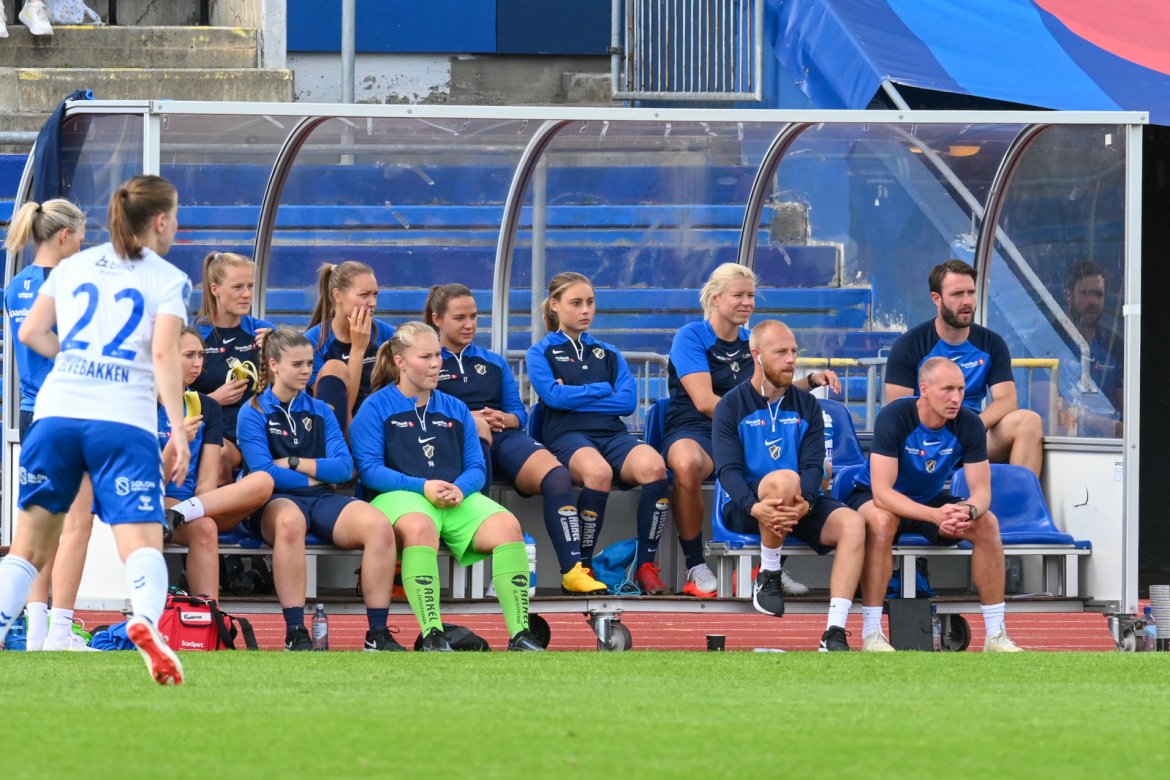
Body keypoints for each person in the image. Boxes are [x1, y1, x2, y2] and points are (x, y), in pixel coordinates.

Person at [0, 175, 191, 684]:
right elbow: (163, 353)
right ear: (160, 221)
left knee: (28, 547)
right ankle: (146, 622)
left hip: (55, 412)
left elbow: (31, 332)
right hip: (122, 419)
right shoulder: (168, 278)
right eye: (174, 216)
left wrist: (74, 361)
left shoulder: (72, 266)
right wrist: (177, 428)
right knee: (141, 542)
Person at [351, 322, 544, 651]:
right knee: (420, 526)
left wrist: (461, 489)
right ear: (400, 362)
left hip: (453, 499)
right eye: (425, 357)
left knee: (508, 526)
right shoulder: (375, 407)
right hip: (397, 497)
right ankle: (433, 634)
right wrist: (422, 486)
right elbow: (369, 471)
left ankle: (520, 634)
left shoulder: (455, 408)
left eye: (437, 356)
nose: (436, 364)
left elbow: (476, 467)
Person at [663, 263, 834, 598]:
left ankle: (770, 565)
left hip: (746, 430)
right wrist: (747, 422)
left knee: (818, 470)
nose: (747, 302)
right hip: (696, 429)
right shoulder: (691, 337)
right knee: (687, 464)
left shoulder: (752, 341)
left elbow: (771, 391)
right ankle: (695, 564)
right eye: (738, 295)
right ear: (715, 298)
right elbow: (705, 402)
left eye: (751, 295)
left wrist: (810, 381)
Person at [424, 283, 605, 595]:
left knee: (557, 475)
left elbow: (518, 412)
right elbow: (418, 407)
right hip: (449, 440)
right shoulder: (428, 360)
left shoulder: (493, 362)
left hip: (502, 436)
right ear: (438, 319)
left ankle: (573, 571)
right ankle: (490, 557)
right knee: (477, 432)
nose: (469, 325)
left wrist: (506, 419)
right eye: (460, 318)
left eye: (474, 317)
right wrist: (467, 417)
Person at [236, 329, 402, 651]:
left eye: (310, 364)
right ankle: (296, 631)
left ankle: (377, 633)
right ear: (274, 365)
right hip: (274, 502)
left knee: (379, 525)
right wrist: (316, 474)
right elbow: (265, 474)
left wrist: (296, 463)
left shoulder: (322, 410)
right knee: (290, 523)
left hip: (322, 499)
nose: (306, 371)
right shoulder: (253, 411)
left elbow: (344, 468)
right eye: (297, 364)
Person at [847, 356, 1022, 652]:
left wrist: (966, 511)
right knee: (882, 521)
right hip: (873, 496)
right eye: (948, 389)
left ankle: (996, 635)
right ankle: (872, 633)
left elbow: (982, 493)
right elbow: (882, 494)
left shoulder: (969, 423)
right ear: (924, 388)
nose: (956, 398)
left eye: (961, 389)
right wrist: (935, 516)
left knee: (987, 523)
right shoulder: (895, 416)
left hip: (928, 500)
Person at [712, 320, 865, 651]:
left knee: (853, 524)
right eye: (781, 352)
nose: (791, 359)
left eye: (794, 351)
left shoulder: (807, 405)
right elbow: (727, 470)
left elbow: (813, 466)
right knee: (783, 479)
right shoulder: (730, 406)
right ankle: (769, 572)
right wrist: (754, 506)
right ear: (757, 355)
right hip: (747, 506)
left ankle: (835, 630)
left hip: (798, 503)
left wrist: (806, 502)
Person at [527, 272, 672, 595]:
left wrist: (574, 394)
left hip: (613, 434)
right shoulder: (540, 352)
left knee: (654, 467)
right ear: (555, 305)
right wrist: (601, 389)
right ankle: (582, 567)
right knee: (598, 472)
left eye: (590, 302)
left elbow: (627, 402)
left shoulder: (608, 352)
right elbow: (553, 398)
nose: (585, 310)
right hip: (566, 435)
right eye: (576, 303)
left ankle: (646, 566)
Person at [3, 198, 98, 652]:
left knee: (40, 526)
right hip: (68, 408)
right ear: (64, 236)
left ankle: (37, 630)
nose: (82, 247)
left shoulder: (16, 285)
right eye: (80, 238)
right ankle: (60, 630)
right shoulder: (71, 283)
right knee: (77, 523)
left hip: (30, 411)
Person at [884, 259, 1043, 477]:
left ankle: (1019, 497)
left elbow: (1007, 400)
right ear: (936, 299)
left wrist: (971, 428)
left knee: (1029, 421)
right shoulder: (910, 344)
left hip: (973, 437)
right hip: (925, 442)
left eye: (971, 292)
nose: (967, 301)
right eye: (957, 294)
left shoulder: (992, 343)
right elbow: (899, 411)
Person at [158, 326, 275, 599]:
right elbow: (147, 483)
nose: (198, 363)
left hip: (196, 504)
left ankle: (182, 514)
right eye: (189, 355)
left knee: (263, 480)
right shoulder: (143, 405)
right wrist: (175, 443)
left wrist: (196, 507)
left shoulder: (207, 406)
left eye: (201, 355)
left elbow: (206, 483)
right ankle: (208, 614)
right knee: (206, 527)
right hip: (156, 498)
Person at [190, 251, 273, 485]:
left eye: (250, 286)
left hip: (259, 427)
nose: (247, 294)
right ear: (215, 289)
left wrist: (276, 352)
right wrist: (213, 399)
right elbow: (171, 397)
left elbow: (292, 385)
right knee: (218, 455)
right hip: (214, 427)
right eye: (237, 287)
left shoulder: (263, 331)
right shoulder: (195, 336)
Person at [304, 261, 395, 433]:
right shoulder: (312, 343)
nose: (372, 303)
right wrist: (358, 350)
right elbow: (338, 412)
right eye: (364, 295)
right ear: (337, 296)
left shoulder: (388, 335)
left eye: (375, 294)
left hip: (382, 428)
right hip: (338, 433)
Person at [1063, 260, 1123, 428]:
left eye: (1098, 294)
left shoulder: (1114, 345)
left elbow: (1127, 404)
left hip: (1112, 439)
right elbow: (1045, 404)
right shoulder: (1049, 339)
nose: (1093, 302)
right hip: (1065, 436)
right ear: (1068, 295)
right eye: (1085, 293)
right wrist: (1109, 427)